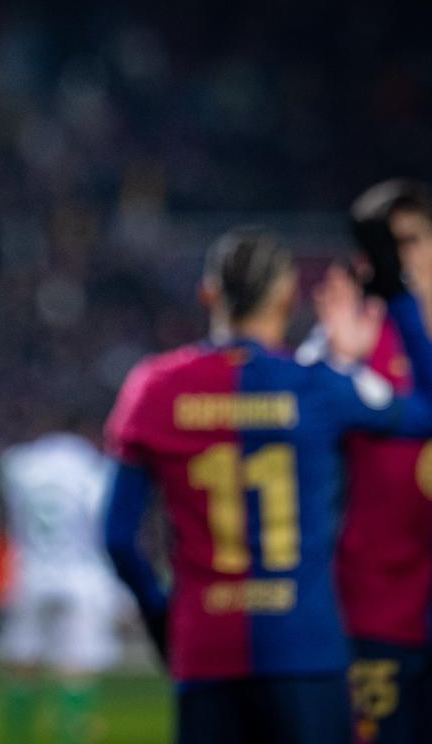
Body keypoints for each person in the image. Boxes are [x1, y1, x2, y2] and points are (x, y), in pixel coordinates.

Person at [103, 229, 432, 744]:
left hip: (205, 648)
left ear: (208, 293)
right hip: (307, 648)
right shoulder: (320, 386)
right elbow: (426, 412)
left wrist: (164, 619)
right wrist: (396, 301)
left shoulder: (154, 386)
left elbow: (119, 538)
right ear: (287, 296)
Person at [328, 180, 432, 744]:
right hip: (378, 606)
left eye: (413, 240)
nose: (405, 257)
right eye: (390, 246)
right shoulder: (354, 342)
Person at [0, 429, 125, 744]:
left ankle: (18, 736)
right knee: (75, 671)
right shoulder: (92, 470)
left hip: (31, 575)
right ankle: (72, 733)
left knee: (22, 667)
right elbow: (101, 526)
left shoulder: (22, 466)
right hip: (82, 577)